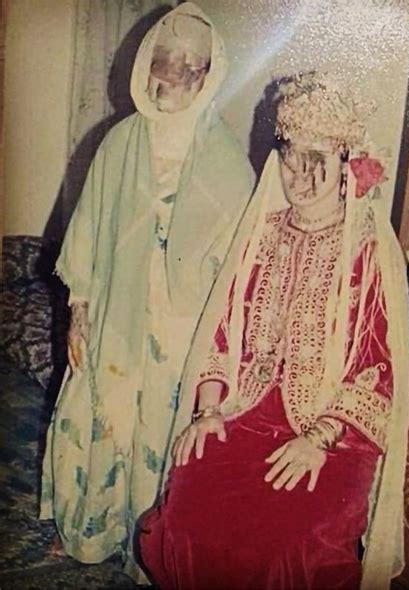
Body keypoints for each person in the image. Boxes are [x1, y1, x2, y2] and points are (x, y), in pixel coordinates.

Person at [138, 72, 409, 590]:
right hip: (244, 411)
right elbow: (222, 333)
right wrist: (208, 410)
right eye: (291, 160)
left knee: (286, 542)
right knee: (189, 509)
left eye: (318, 165)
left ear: (347, 168)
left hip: (334, 433)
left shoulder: (368, 250)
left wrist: (317, 440)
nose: (300, 180)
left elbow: (379, 370)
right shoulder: (262, 234)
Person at [40, 2, 254, 581]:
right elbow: (86, 234)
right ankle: (92, 531)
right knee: (105, 410)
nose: (176, 76)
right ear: (146, 66)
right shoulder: (117, 144)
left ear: (210, 75)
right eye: (166, 61)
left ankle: (151, 547)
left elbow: (240, 265)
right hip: (116, 312)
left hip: (181, 328)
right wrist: (79, 311)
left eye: (192, 66)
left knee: (161, 430)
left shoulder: (228, 160)